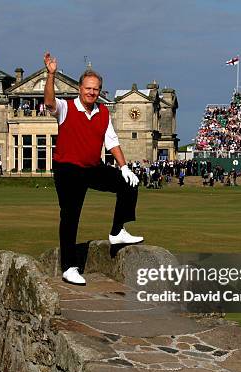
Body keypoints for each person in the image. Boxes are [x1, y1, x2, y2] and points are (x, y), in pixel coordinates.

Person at [44, 51, 142, 286]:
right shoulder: (66, 108)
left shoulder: (103, 111)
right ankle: (69, 267)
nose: (91, 92)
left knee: (129, 184)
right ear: (80, 88)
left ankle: (118, 231)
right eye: (88, 88)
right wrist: (51, 75)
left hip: (91, 166)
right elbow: (49, 102)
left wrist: (125, 167)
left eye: (96, 89)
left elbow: (112, 141)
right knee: (70, 215)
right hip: (67, 168)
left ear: (100, 90)